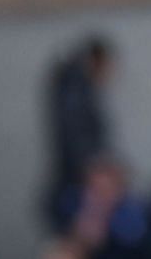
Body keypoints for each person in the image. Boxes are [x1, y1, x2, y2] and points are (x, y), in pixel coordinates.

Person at [45, 35, 116, 228]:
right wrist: (94, 169)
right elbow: (76, 138)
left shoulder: (72, 88)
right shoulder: (76, 92)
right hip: (77, 185)